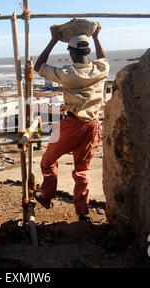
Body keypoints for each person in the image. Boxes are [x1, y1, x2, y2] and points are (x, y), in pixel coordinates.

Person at [33, 23, 110, 221]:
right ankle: (82, 213)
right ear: (88, 51)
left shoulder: (68, 75)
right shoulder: (101, 69)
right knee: (82, 170)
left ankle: (48, 196)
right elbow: (103, 59)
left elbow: (38, 66)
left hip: (72, 125)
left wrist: (53, 39)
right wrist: (96, 36)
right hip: (93, 125)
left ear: (72, 54)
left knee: (48, 160)